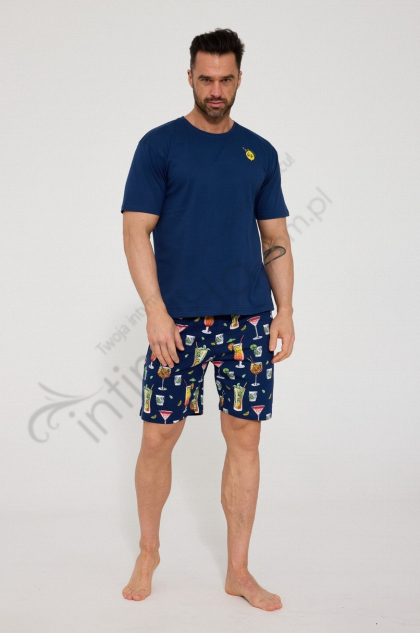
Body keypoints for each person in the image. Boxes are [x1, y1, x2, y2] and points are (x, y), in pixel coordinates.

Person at [120, 28, 295, 612]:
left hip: (248, 322)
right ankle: (149, 551)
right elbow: (135, 232)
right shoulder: (160, 146)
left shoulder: (259, 152)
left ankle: (238, 571)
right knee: (158, 437)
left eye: (225, 79)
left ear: (239, 79)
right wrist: (156, 313)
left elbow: (275, 238)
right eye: (205, 79)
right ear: (190, 77)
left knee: (245, 437)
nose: (215, 89)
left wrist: (286, 311)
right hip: (179, 324)